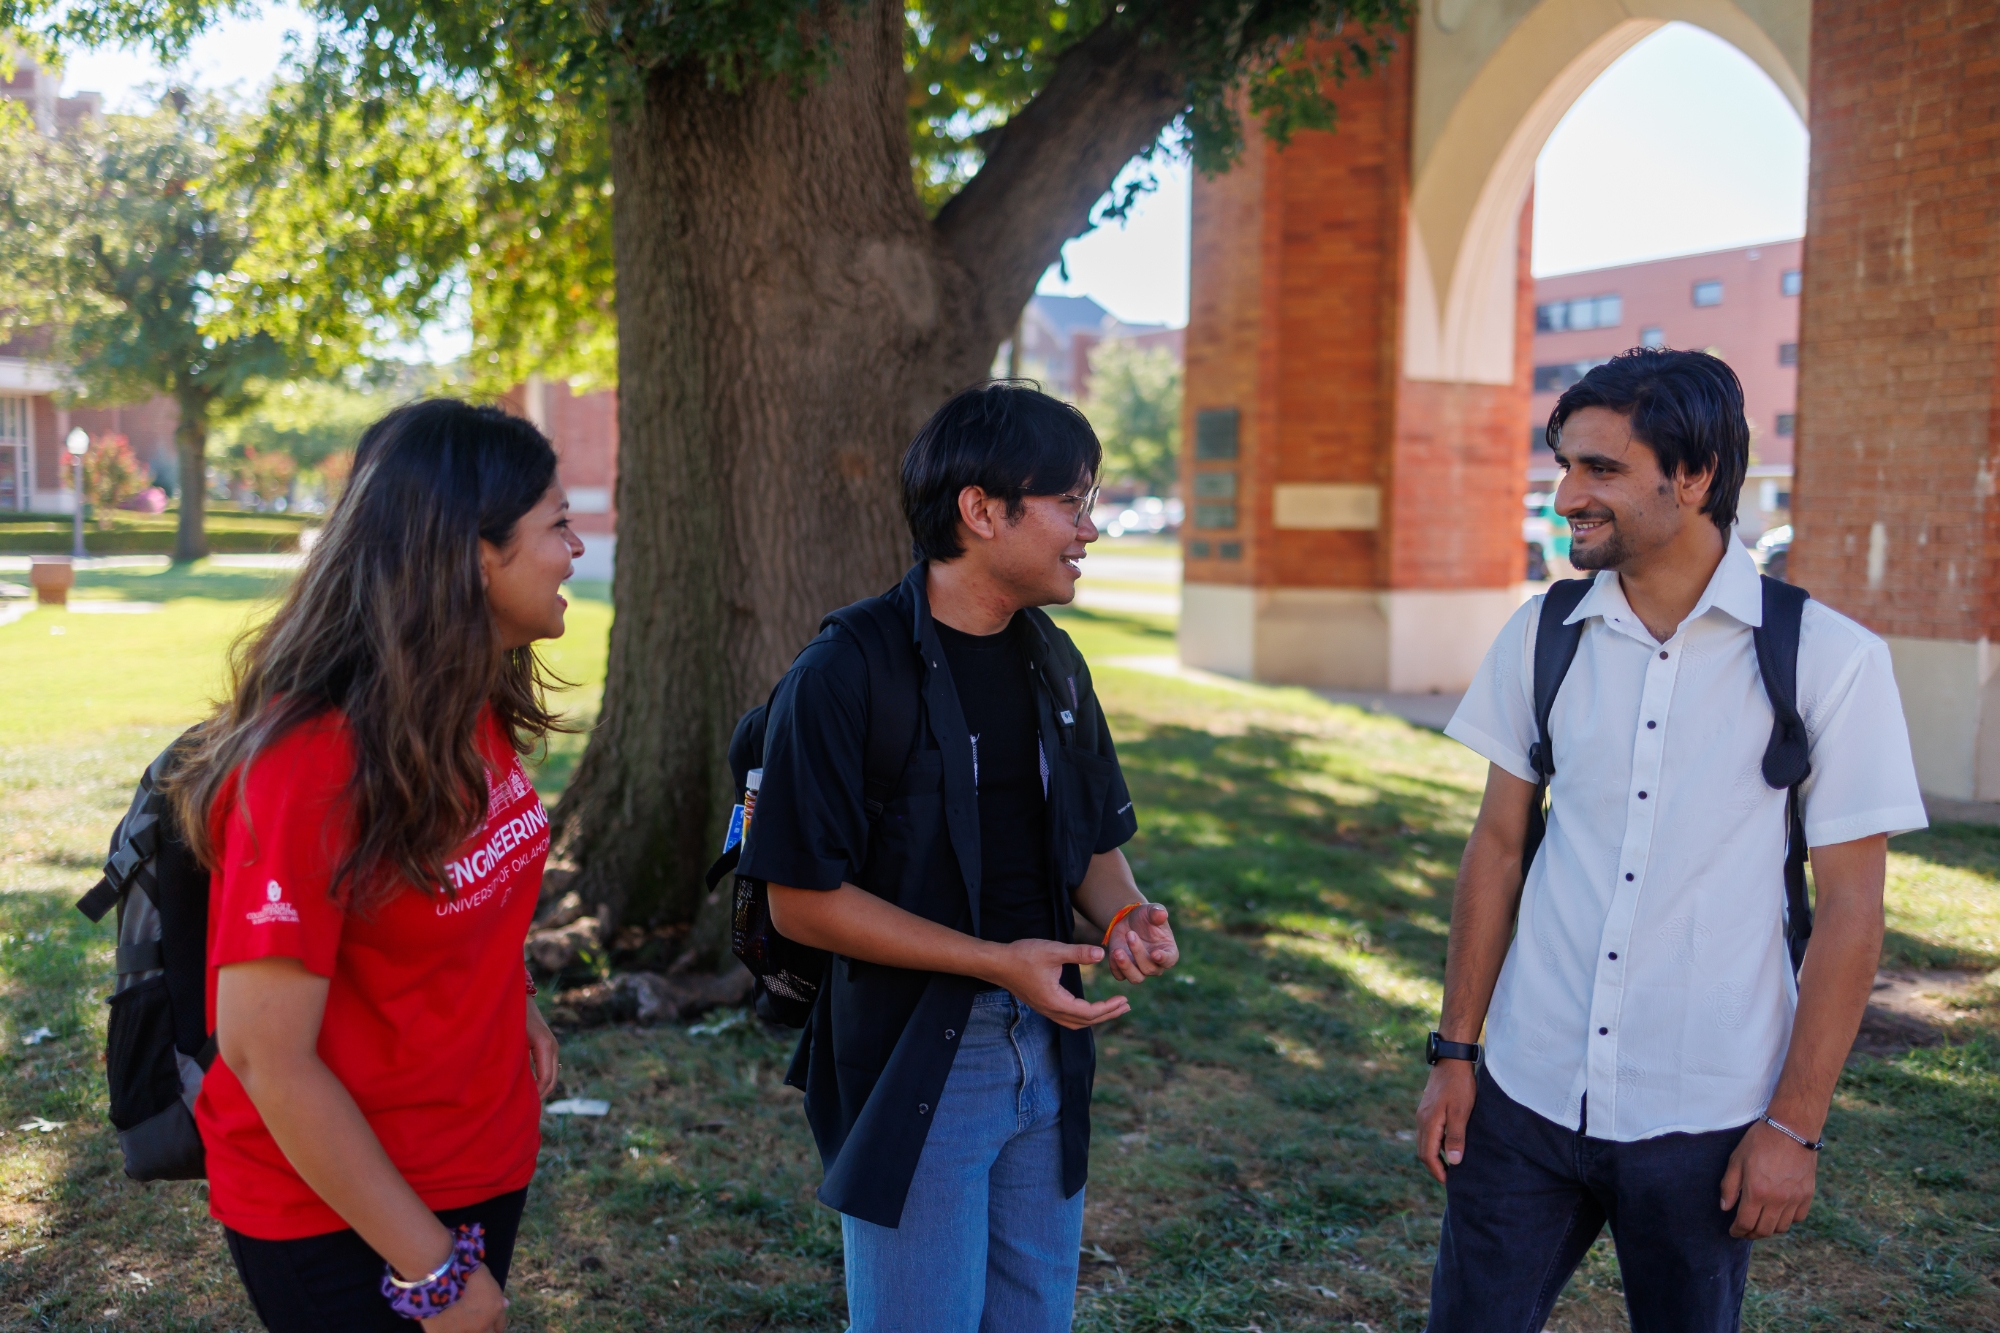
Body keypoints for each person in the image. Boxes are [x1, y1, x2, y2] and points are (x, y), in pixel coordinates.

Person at [1413, 348, 1928, 1332]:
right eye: (1563, 465)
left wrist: (1793, 1126)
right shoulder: (1542, 633)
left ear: (1690, 477)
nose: (1565, 494)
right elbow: (1494, 846)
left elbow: (1851, 915)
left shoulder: (1829, 660)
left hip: (1704, 1117)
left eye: (1599, 470)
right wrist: (1453, 1052)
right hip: (1524, 1089)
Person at [738, 381, 1180, 1332]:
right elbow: (799, 903)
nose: (1089, 530)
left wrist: (1124, 912)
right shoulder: (844, 671)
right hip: (917, 1057)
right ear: (981, 511)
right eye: (1070, 502)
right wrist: (994, 964)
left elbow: (1095, 846)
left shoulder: (1056, 660)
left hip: (1052, 1048)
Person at [167, 399, 583, 1333]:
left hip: (474, 1157)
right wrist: (432, 1269)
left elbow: (454, 884)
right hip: (339, 1207)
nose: (576, 550)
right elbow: (266, 1056)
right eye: (557, 524)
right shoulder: (310, 760)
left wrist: (509, 988)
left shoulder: (460, 700)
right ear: (478, 556)